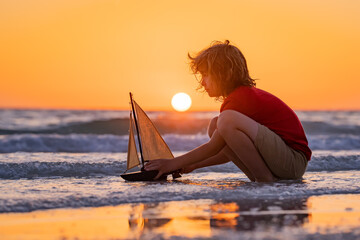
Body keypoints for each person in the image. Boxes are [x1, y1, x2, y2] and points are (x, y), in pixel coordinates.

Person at [145, 40, 311, 182]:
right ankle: (262, 177)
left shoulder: (241, 98)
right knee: (215, 125)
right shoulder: (236, 101)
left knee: (225, 120)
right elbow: (231, 151)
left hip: (293, 161)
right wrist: (194, 164)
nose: (202, 82)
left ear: (223, 74)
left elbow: (213, 147)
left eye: (206, 75)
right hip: (285, 163)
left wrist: (172, 163)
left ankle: (264, 179)